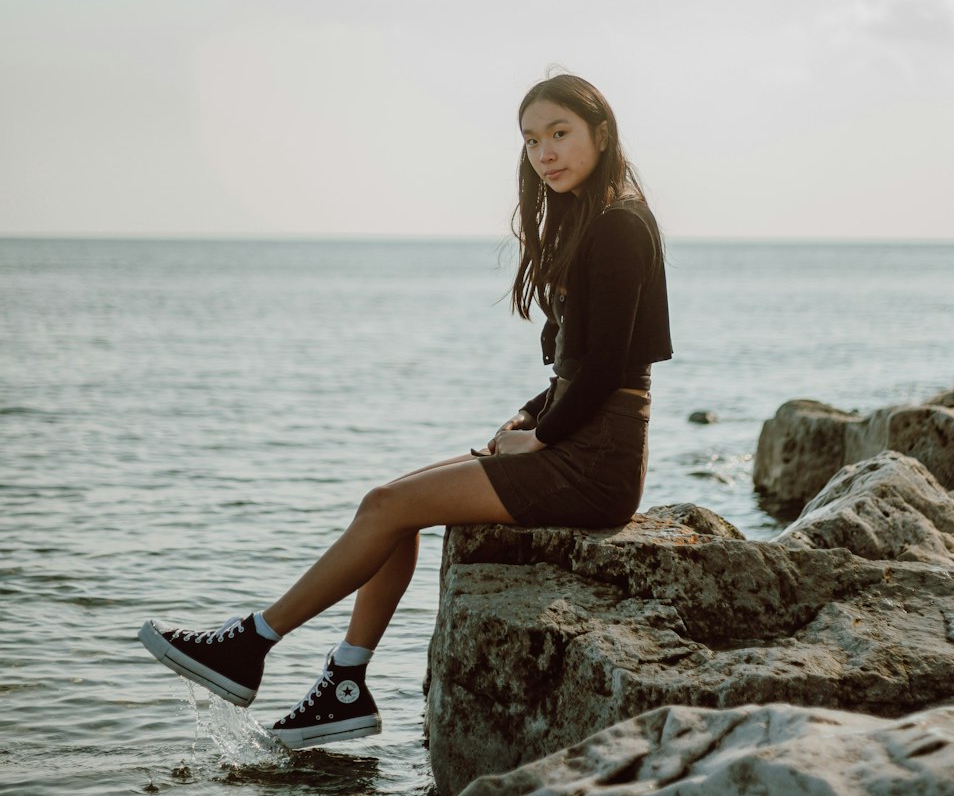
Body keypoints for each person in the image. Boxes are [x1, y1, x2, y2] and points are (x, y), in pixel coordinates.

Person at [138, 73, 672, 749]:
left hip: (596, 462)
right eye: (532, 140)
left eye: (559, 133)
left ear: (600, 132)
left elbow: (612, 367)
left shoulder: (620, 225)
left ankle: (252, 644)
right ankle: (344, 685)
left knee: (388, 504)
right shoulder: (595, 220)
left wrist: (544, 437)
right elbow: (578, 366)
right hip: (579, 442)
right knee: (390, 506)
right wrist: (526, 420)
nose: (545, 153)